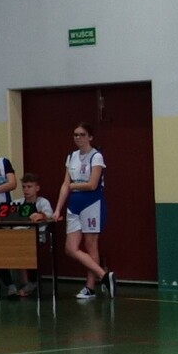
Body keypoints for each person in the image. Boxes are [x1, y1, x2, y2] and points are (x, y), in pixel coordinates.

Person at [61, 123, 113, 301]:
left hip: (92, 203)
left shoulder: (96, 156)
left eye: (82, 134)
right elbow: (65, 184)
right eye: (75, 134)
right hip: (74, 204)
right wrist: (58, 209)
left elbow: (92, 184)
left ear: (90, 137)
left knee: (91, 245)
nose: (78, 137)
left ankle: (90, 287)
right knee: (70, 248)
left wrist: (73, 185)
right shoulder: (71, 156)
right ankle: (104, 275)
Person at [6, 174, 55, 299]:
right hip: (16, 238)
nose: (26, 190)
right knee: (0, 248)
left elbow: (50, 215)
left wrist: (42, 215)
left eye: (29, 187)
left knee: (26, 247)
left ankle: (31, 282)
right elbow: (5, 216)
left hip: (36, 238)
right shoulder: (16, 203)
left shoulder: (43, 202)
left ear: (37, 188)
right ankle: (10, 284)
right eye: (24, 187)